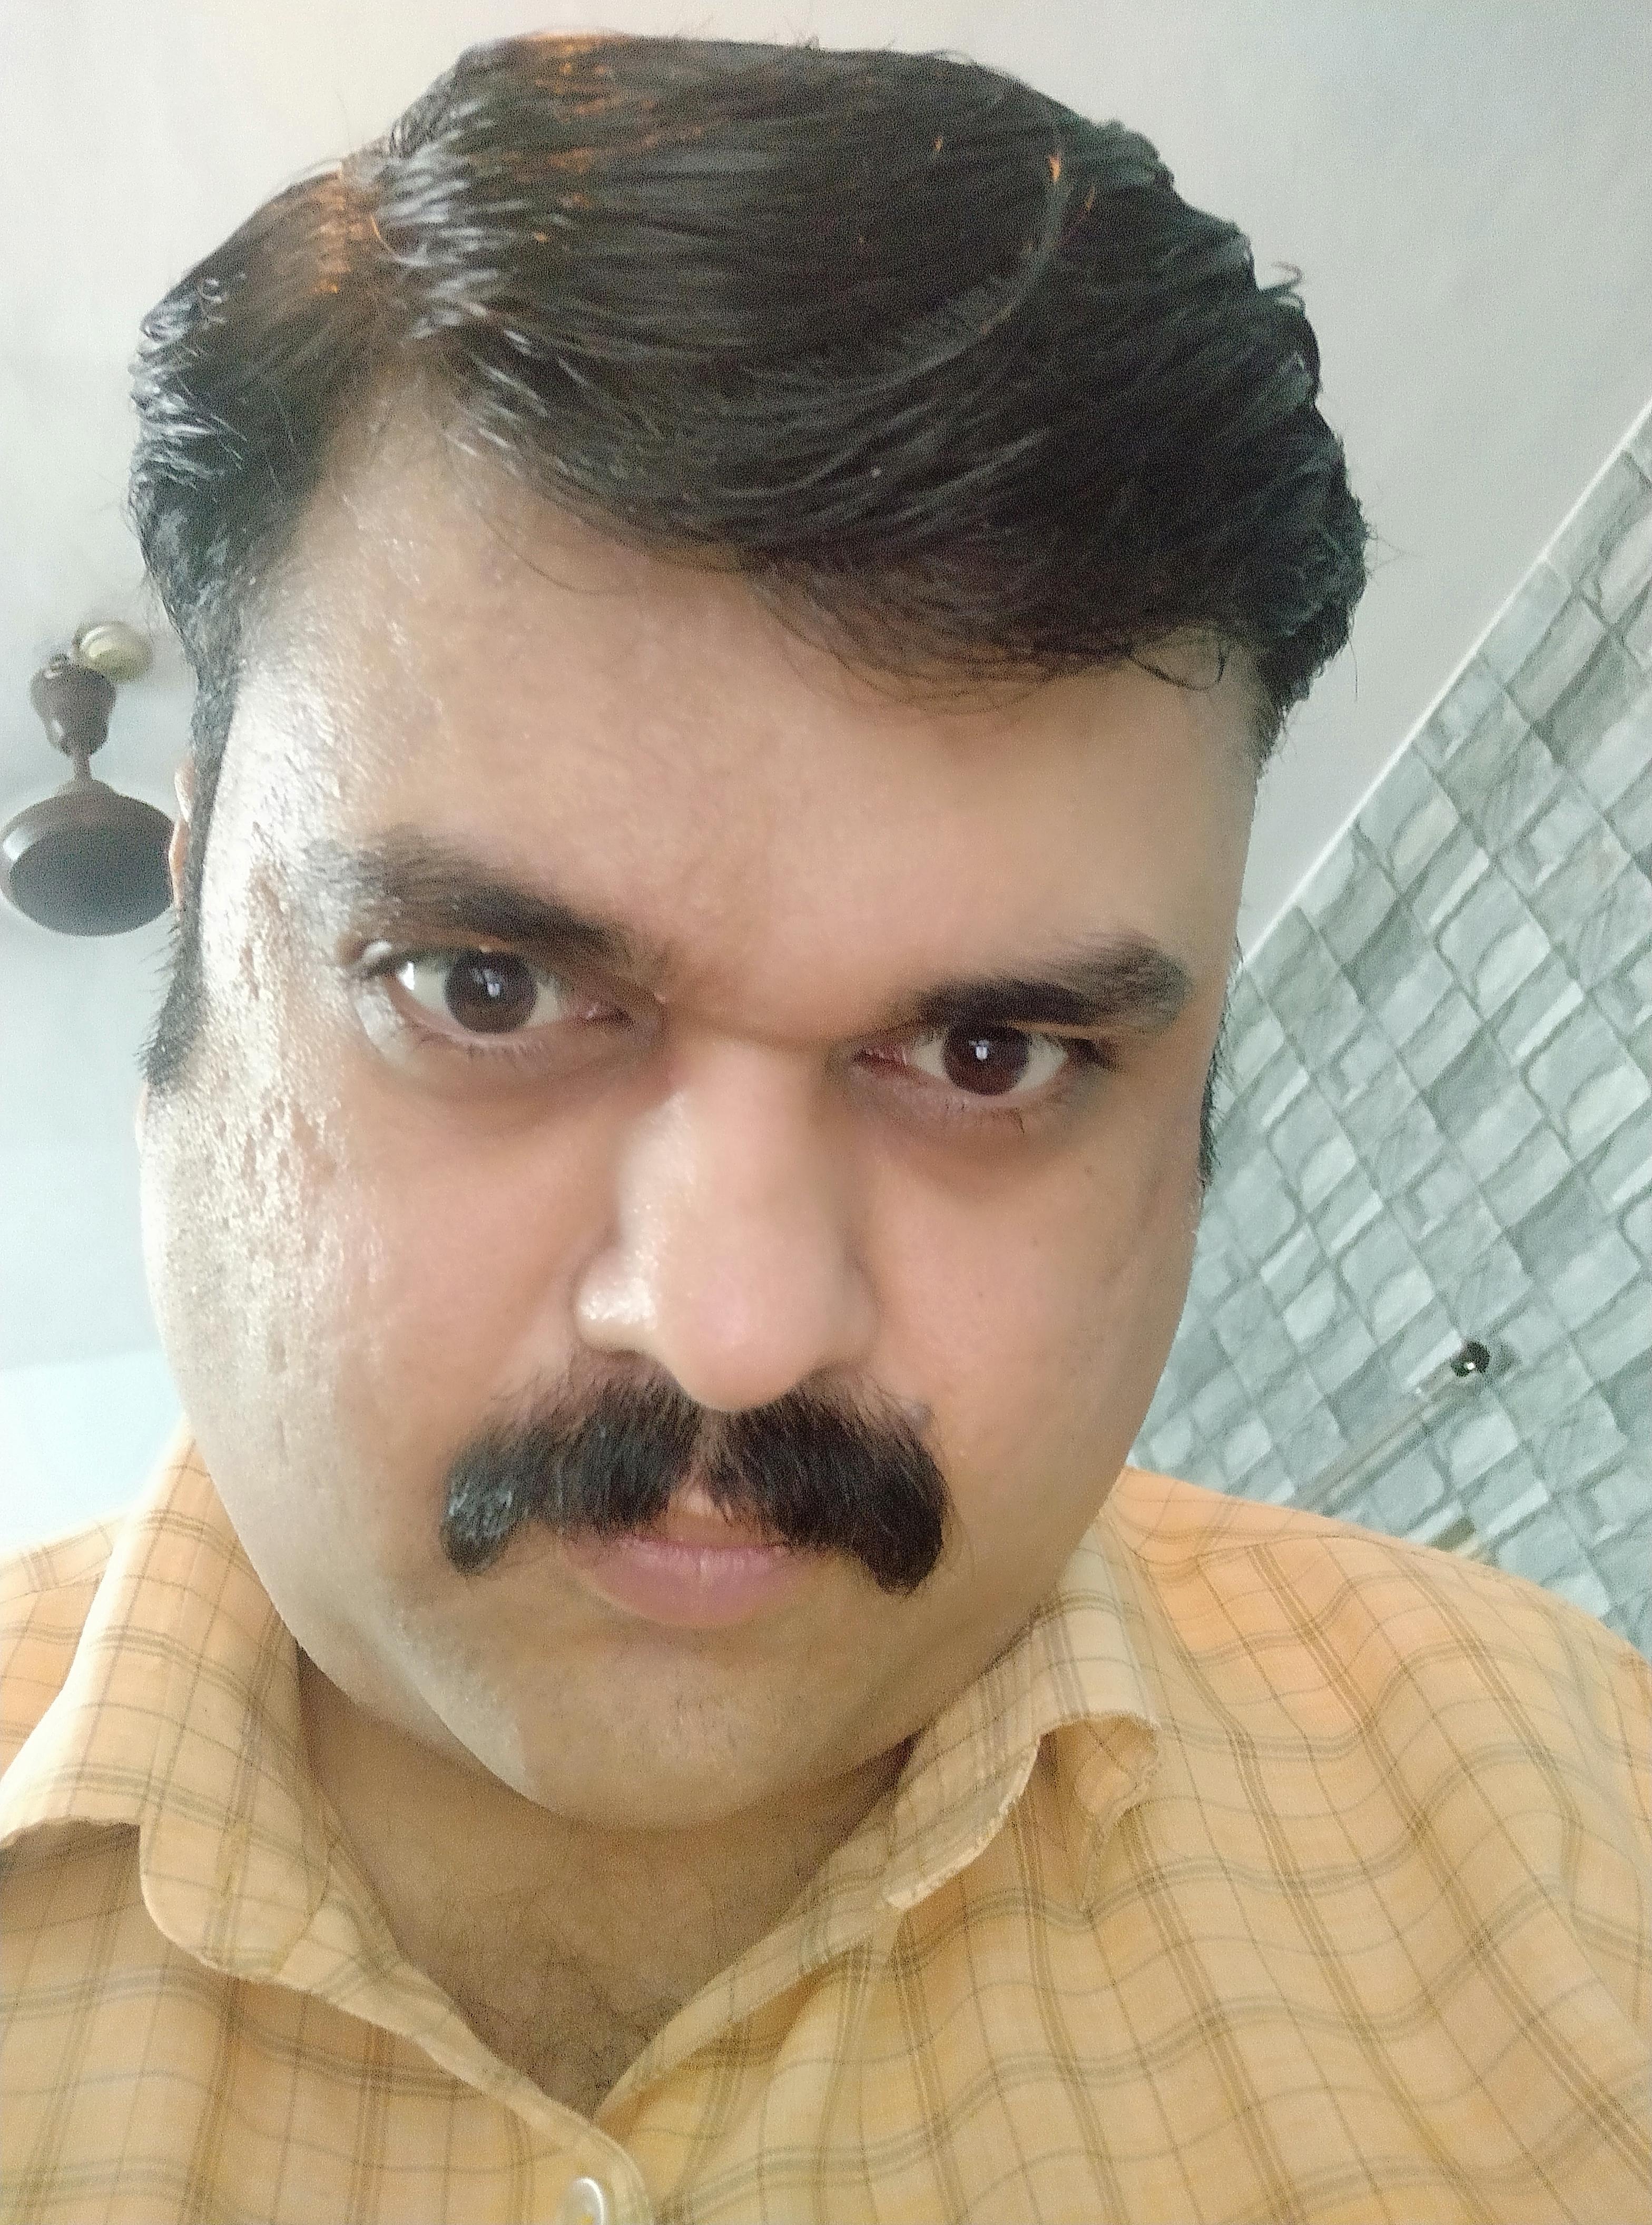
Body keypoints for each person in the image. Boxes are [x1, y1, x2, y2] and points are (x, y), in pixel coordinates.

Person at [2, 33, 1646, 2225]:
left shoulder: (1580, 1832)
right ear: (196, 924)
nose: (738, 1328)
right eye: (487, 990)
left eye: (990, 1056)